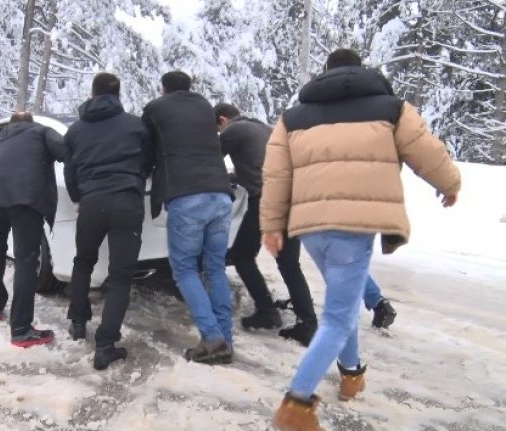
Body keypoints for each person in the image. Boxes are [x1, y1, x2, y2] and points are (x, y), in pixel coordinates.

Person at [262, 48, 461, 430]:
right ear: (361, 70)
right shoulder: (391, 108)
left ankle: (351, 374)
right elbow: (427, 152)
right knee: (339, 316)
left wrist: (272, 226)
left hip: (311, 229)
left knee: (344, 304)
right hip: (354, 228)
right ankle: (296, 404)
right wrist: (449, 184)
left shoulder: (292, 119)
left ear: (324, 74)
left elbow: (276, 177)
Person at [142, 71, 235, 364]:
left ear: (163, 89)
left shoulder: (156, 108)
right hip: (220, 195)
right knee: (216, 268)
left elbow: (144, 149)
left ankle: (212, 337)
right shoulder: (205, 106)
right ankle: (226, 340)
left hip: (187, 196)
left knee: (184, 269)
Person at [63, 72, 153, 370]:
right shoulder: (136, 124)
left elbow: (69, 171)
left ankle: (78, 322)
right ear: (118, 95)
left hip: (91, 202)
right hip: (127, 201)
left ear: (92, 93)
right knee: (120, 276)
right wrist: (136, 181)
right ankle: (105, 344)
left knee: (83, 262)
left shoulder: (75, 130)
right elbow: (148, 160)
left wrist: (79, 197)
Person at [214, 103, 318, 346]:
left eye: (218, 129)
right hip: (292, 199)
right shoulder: (264, 129)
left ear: (222, 120)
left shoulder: (233, 131)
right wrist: (236, 176)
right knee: (289, 263)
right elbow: (259, 164)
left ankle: (267, 311)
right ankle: (308, 324)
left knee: (241, 255)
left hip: (267, 200)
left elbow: (207, 159)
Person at [0, 112, 65, 348]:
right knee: (26, 261)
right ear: (31, 123)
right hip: (26, 201)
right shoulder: (41, 132)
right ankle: (21, 329)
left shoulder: (2, 138)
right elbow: (67, 151)